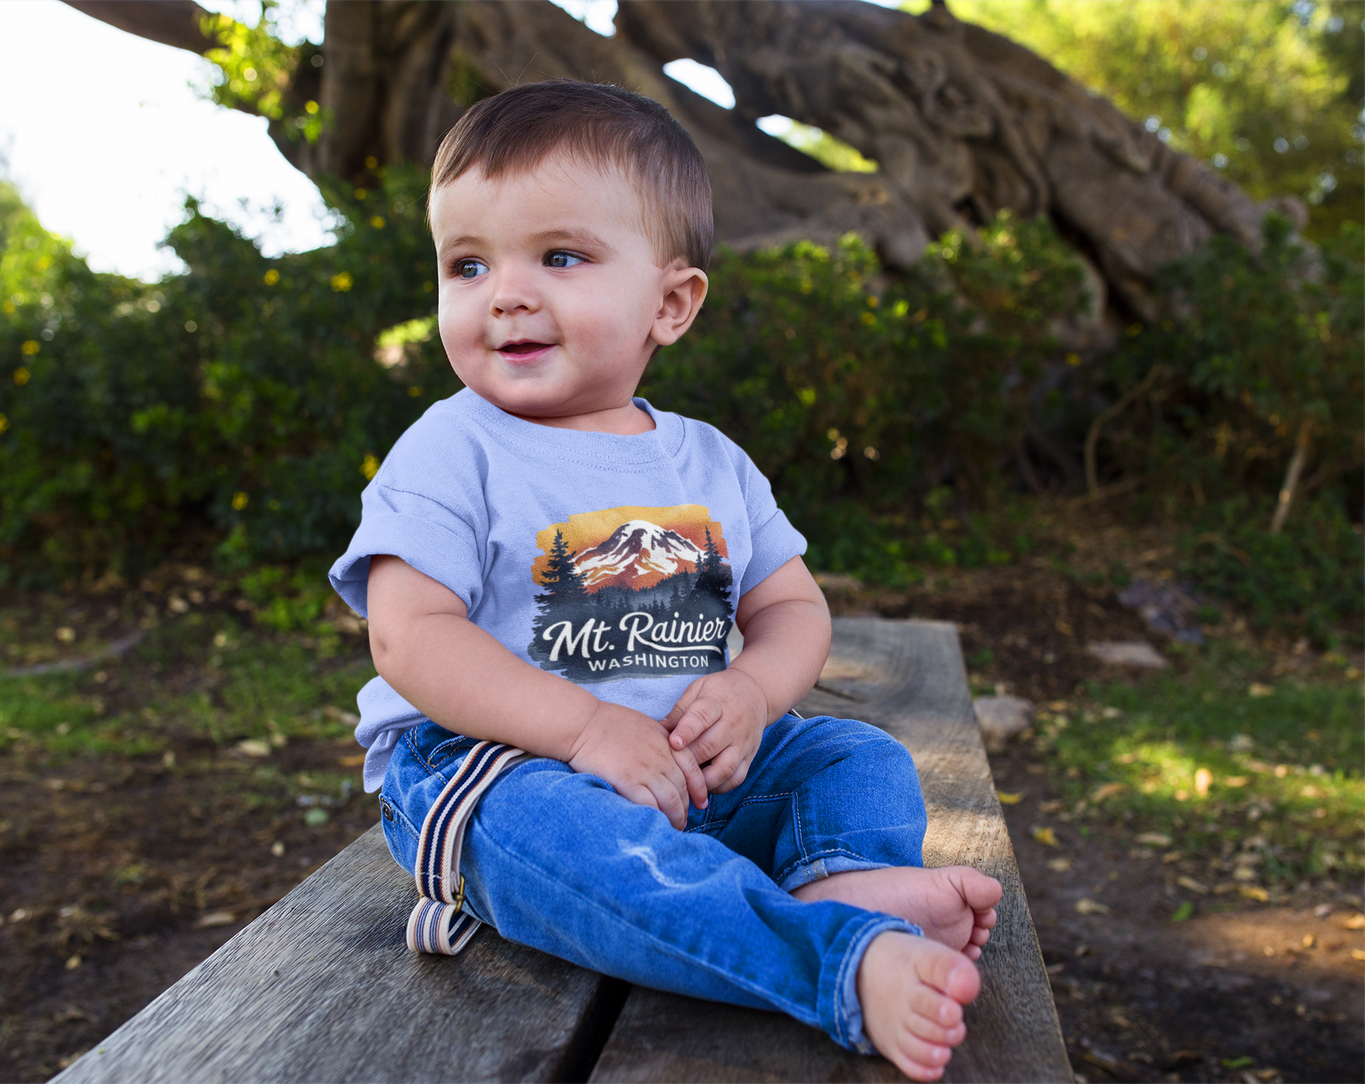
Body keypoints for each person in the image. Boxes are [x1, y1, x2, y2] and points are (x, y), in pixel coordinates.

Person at [328, 79, 1002, 1082]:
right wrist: (583, 728)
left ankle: (842, 883)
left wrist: (751, 690)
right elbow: (408, 634)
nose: (504, 291)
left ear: (670, 302)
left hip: (690, 773)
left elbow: (790, 608)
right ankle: (830, 961)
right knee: (575, 836)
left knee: (852, 757)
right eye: (466, 264)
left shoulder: (709, 462)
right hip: (498, 774)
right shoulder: (452, 445)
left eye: (559, 256)